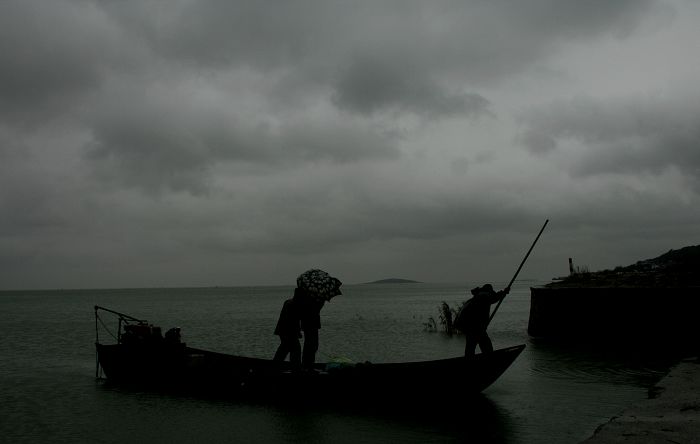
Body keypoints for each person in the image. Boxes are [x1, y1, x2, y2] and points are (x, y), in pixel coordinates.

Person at [455, 284, 509, 356]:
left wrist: (503, 293)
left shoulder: (476, 297)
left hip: (467, 325)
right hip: (473, 325)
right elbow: (494, 298)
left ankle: (469, 360)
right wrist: (504, 292)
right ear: (488, 291)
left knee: (472, 344)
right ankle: (487, 358)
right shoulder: (484, 296)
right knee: (484, 343)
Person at [272, 289, 302, 370]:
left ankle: (275, 366)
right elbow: (294, 320)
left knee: (285, 348)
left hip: (283, 331)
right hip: (288, 332)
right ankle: (295, 368)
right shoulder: (294, 304)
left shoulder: (288, 302)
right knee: (295, 350)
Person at [298, 292, 326, 371]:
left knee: (309, 345)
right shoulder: (310, 300)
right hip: (311, 325)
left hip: (308, 325)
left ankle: (306, 365)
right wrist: (322, 301)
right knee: (312, 345)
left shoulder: (307, 299)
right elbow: (316, 310)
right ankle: (309, 366)